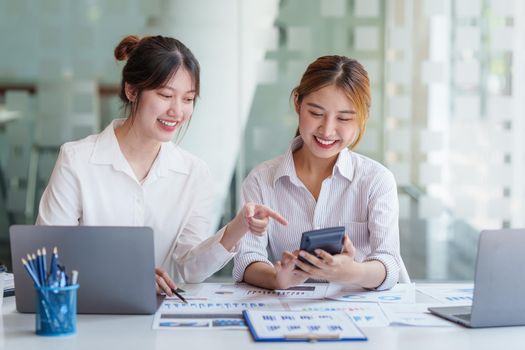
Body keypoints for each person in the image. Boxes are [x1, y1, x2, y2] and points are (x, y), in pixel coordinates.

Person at [36, 35, 287, 295]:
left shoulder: (194, 173)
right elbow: (47, 259)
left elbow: (191, 269)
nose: (177, 112)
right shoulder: (77, 160)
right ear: (132, 90)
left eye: (188, 99)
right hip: (86, 313)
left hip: (159, 320)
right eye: (166, 95)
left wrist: (238, 228)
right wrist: (126, 276)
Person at [233, 55, 400, 291]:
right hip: (287, 312)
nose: (327, 129)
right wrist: (276, 279)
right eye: (316, 113)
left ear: (363, 118)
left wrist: (354, 272)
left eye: (343, 118)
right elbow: (247, 258)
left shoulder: (376, 180)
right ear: (297, 103)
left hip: (359, 310)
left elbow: (389, 262)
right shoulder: (261, 180)